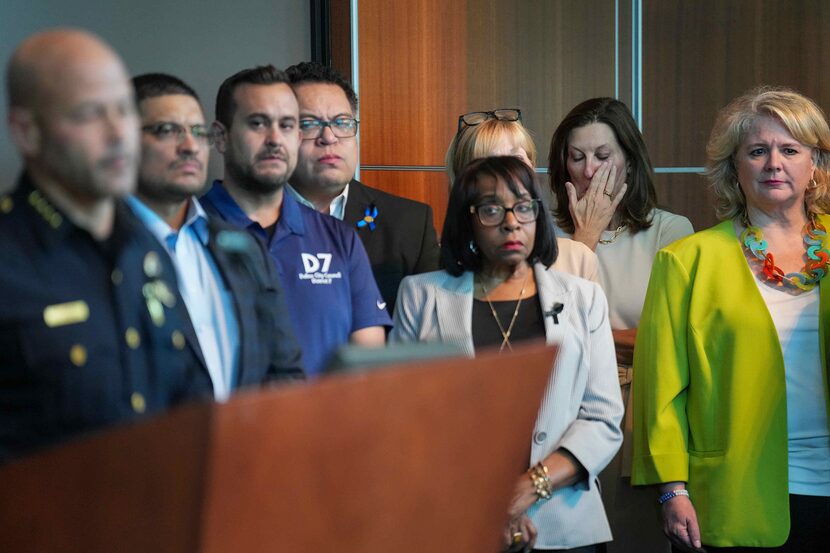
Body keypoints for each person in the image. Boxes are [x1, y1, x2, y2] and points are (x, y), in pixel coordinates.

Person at [632, 86, 830, 552]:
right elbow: (660, 391)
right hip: (734, 494)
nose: (773, 163)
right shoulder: (687, 261)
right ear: (733, 167)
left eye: (790, 150)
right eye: (757, 151)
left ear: (814, 164)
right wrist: (672, 489)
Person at [391, 156, 623, 552]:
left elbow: (602, 418)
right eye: (491, 209)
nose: (511, 221)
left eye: (523, 207)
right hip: (457, 520)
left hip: (564, 521)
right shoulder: (421, 296)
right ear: (467, 220)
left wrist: (529, 488)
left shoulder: (583, 299)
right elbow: (403, 419)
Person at [0, 30, 205, 463]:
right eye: (90, 114)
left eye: (124, 111)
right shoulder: (10, 259)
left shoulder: (145, 248)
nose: (117, 134)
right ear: (27, 132)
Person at [549, 98, 694, 552]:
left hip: (641, 414)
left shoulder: (671, 231)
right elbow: (543, 338)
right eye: (577, 157)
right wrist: (585, 240)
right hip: (560, 416)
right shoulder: (543, 237)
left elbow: (671, 346)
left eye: (603, 156)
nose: (590, 170)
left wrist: (592, 341)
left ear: (629, 159)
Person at [201, 65, 390, 376]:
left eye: (287, 125)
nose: (275, 139)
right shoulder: (189, 230)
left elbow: (369, 369)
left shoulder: (339, 238)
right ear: (221, 137)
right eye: (258, 123)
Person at [129, 72, 304, 400]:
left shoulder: (241, 247)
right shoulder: (92, 249)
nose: (190, 146)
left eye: (198, 132)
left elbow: (284, 371)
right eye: (168, 131)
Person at [284, 61, 440, 314]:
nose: (329, 137)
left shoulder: (409, 225)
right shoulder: (249, 223)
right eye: (309, 123)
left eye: (342, 122)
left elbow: (430, 333)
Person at [447, 108, 599, 282]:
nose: (508, 174)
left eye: (517, 160)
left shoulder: (578, 257)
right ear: (463, 184)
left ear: (532, 167)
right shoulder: (432, 273)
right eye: (489, 164)